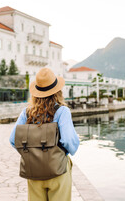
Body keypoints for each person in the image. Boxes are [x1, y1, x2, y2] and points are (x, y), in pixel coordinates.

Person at [9, 67, 80, 201]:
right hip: (58, 169)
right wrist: (61, 154)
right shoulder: (62, 111)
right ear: (57, 91)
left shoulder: (26, 113)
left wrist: (32, 154)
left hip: (33, 170)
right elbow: (69, 141)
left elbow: (13, 140)